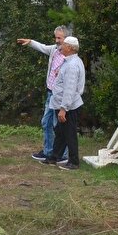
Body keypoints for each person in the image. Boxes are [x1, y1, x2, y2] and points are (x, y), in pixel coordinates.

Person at [16, 25, 67, 161]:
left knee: (59, 125)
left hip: (60, 96)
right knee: (46, 122)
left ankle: (63, 154)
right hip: (50, 93)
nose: (56, 40)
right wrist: (30, 42)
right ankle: (48, 151)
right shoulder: (54, 50)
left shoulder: (69, 55)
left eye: (59, 38)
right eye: (55, 37)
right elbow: (42, 47)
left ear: (66, 39)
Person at [40, 35, 85, 170]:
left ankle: (74, 162)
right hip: (65, 105)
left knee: (69, 134)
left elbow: (70, 89)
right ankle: (54, 157)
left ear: (70, 48)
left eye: (64, 44)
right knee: (60, 132)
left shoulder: (72, 65)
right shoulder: (70, 62)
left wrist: (63, 108)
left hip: (68, 106)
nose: (61, 46)